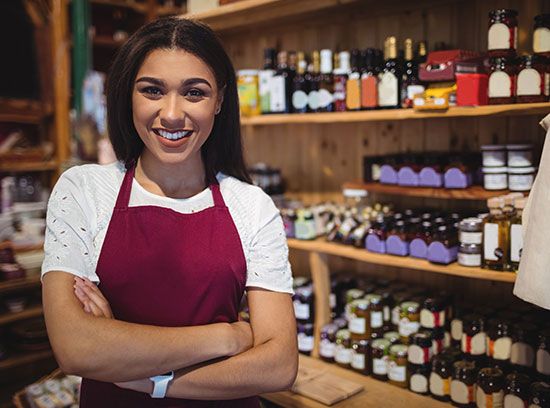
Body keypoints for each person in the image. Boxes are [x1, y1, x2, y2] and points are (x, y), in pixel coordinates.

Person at [42, 17, 298, 407]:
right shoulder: (84, 190)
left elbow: (278, 367)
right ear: (129, 94)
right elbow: (76, 349)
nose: (173, 114)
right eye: (152, 90)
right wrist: (226, 337)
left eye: (194, 92)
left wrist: (148, 379)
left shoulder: (251, 205)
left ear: (220, 101)